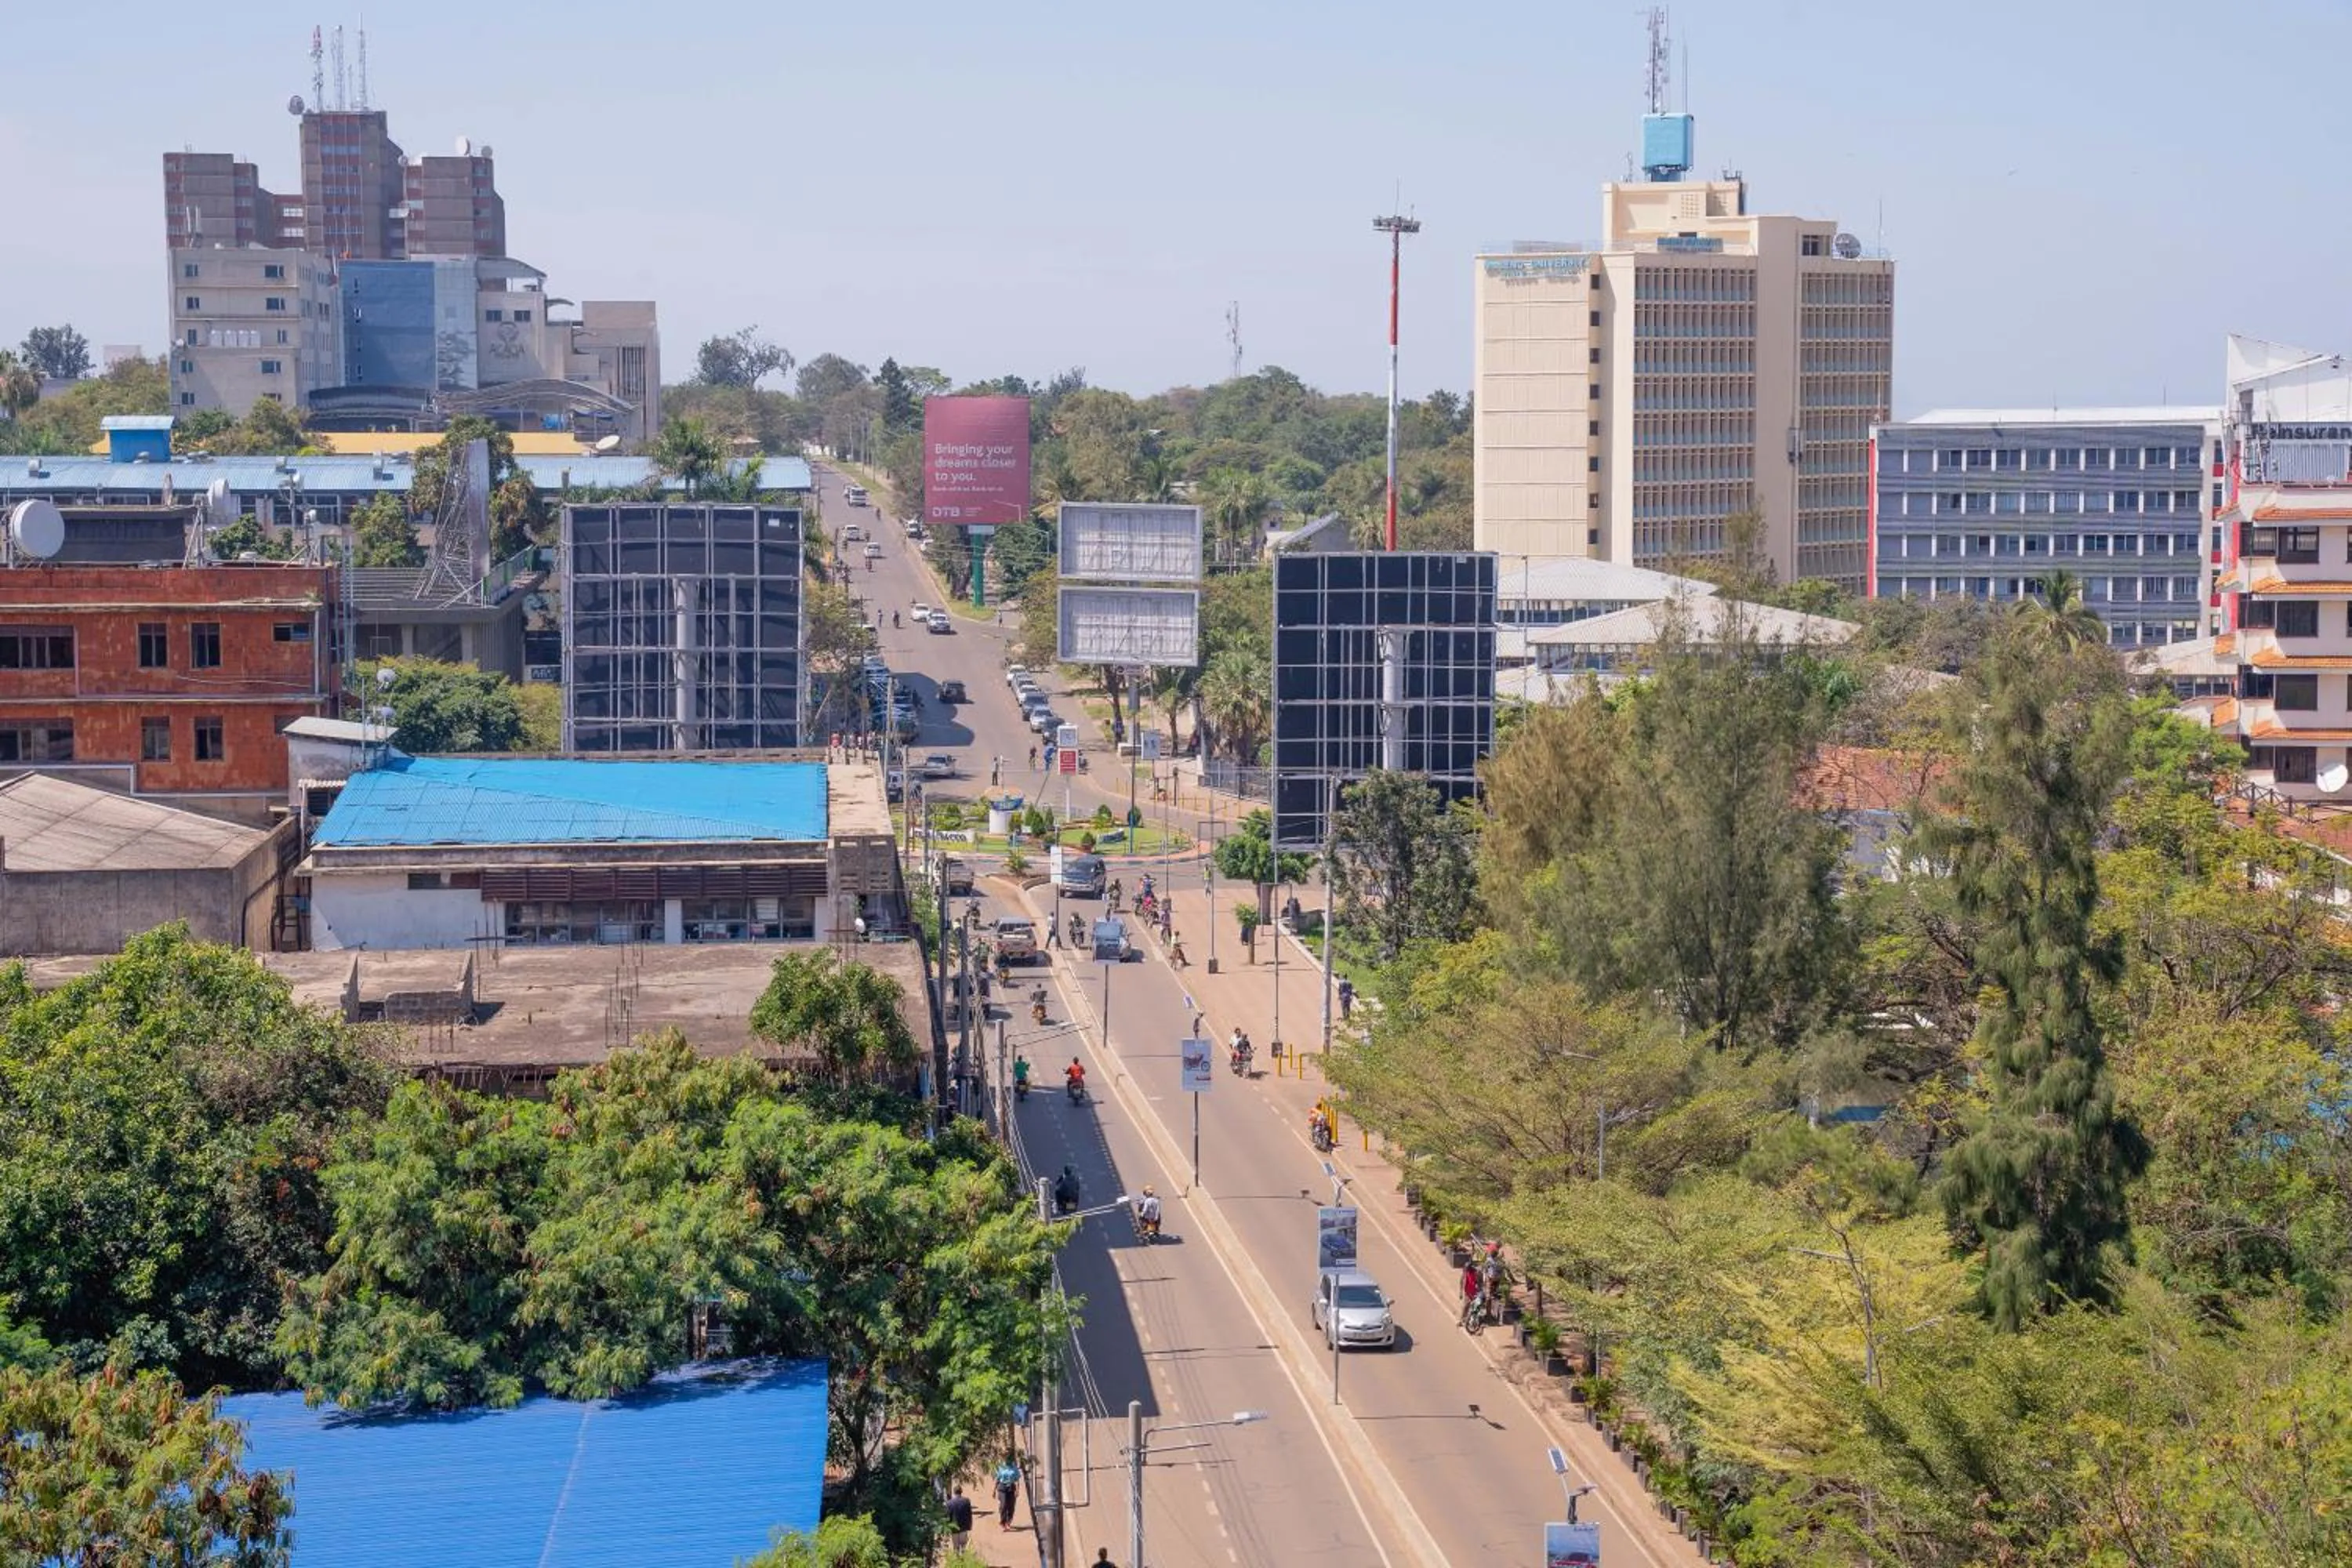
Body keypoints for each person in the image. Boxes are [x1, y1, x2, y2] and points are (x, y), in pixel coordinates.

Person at [993, 1454, 1022, 1528]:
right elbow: (997, 1479)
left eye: (1008, 1459)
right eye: (1005, 1459)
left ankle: (1008, 1522)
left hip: (1011, 1488)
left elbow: (1017, 1480)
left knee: (1011, 1506)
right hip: (1002, 1487)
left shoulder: (1014, 1468)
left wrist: (1018, 1490)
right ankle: (1003, 1522)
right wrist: (993, 1490)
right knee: (1003, 1505)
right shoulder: (1001, 1467)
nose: (1006, 1461)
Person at [943, 1486, 974, 1550]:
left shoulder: (949, 1503)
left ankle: (957, 1559)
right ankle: (964, 1558)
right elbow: (969, 1514)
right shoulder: (967, 1501)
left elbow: (948, 1517)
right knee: (963, 1546)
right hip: (964, 1527)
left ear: (954, 1492)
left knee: (956, 1546)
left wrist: (947, 1530)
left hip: (954, 1528)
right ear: (961, 1492)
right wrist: (970, 1525)